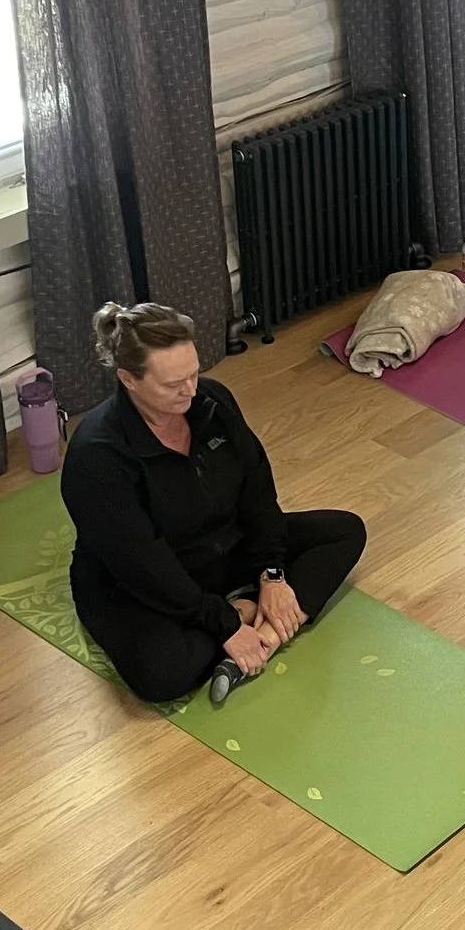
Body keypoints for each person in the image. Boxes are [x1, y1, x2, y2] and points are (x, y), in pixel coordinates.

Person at [62, 302, 367, 707]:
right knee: (162, 676)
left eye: (193, 373)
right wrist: (226, 623)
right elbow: (145, 564)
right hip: (142, 583)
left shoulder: (212, 401)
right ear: (128, 379)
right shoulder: (97, 456)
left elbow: (258, 492)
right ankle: (245, 611)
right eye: (173, 384)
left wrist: (272, 574)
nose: (190, 391)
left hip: (223, 549)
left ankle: (264, 634)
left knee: (344, 531)